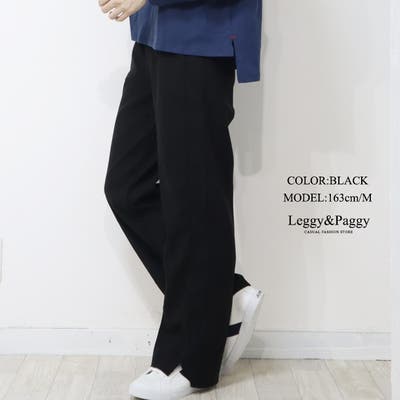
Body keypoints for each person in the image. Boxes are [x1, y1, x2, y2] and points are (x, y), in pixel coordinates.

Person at [99, 0, 264, 398]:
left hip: (201, 39)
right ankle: (222, 293)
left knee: (193, 202)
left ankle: (191, 361)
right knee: (127, 187)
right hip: (154, 36)